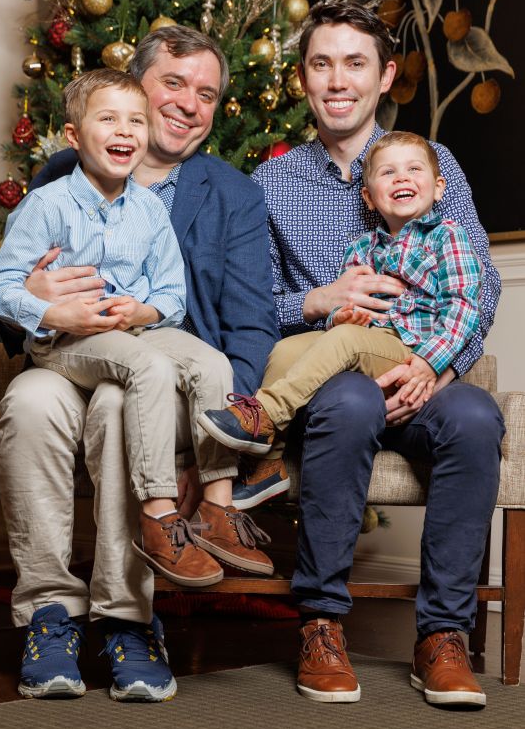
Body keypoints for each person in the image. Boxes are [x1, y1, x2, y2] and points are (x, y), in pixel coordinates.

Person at [0, 26, 279, 701]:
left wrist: (214, 428)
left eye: (206, 93)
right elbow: (8, 299)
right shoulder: (58, 178)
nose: (188, 103)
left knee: (125, 403)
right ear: (134, 89)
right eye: (173, 83)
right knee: (29, 404)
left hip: (165, 378)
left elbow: (248, 325)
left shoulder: (231, 193)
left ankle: (127, 619)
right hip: (70, 355)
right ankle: (49, 614)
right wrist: (34, 300)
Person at [247, 1, 504, 707]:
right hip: (331, 381)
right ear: (303, 78)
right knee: (351, 399)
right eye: (322, 63)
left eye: (355, 63)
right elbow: (249, 310)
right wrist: (318, 301)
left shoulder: (432, 162)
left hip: (424, 365)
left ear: (386, 75)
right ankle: (322, 624)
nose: (338, 80)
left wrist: (438, 370)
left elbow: (476, 285)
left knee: (476, 418)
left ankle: (441, 637)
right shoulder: (271, 184)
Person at [198, 131, 483, 497]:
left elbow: (463, 306)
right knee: (286, 350)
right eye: (388, 172)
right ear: (368, 197)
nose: (402, 178)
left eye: (414, 169)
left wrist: (430, 362)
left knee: (347, 340)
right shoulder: (363, 248)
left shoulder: (448, 237)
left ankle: (265, 414)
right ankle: (269, 463)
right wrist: (343, 317)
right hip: (368, 340)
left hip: (411, 348)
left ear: (438, 187)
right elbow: (342, 320)